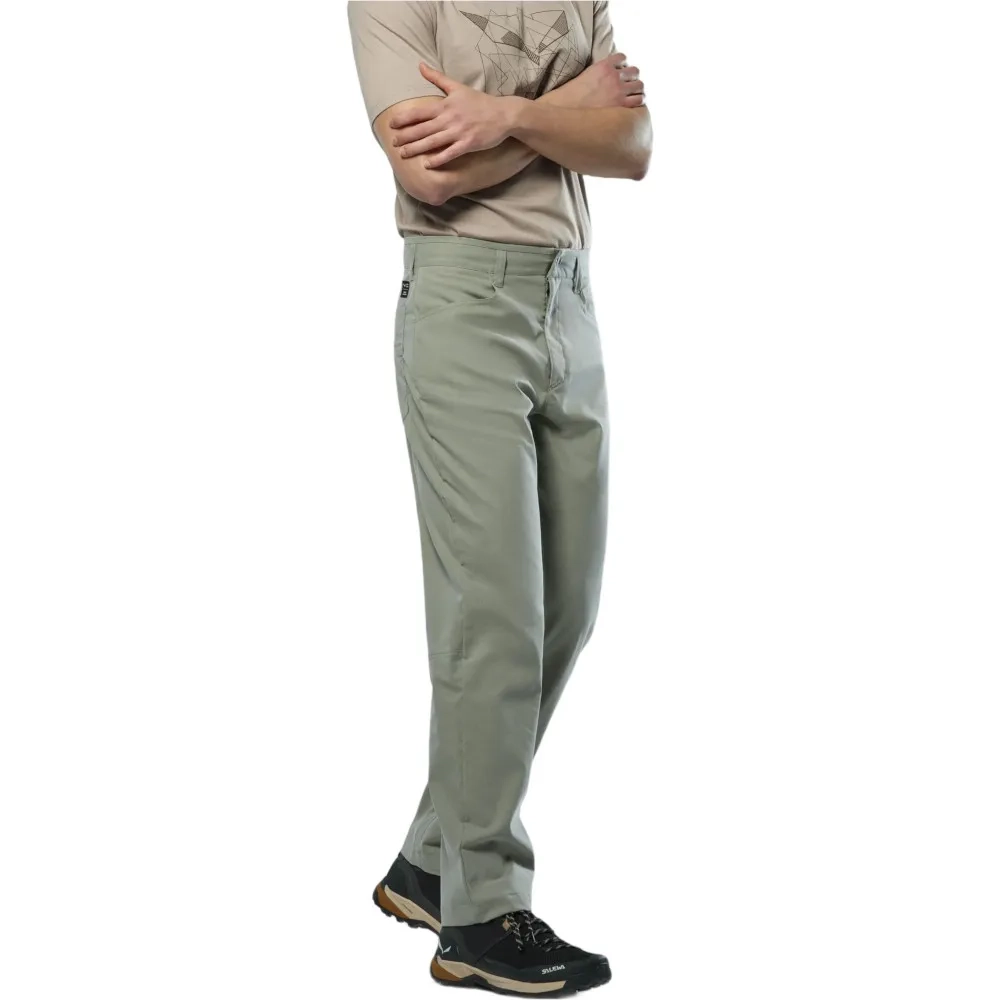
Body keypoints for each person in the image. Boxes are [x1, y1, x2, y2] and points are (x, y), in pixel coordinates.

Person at [347, 2, 651, 993]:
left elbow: (632, 146)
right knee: (496, 620)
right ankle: (481, 913)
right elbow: (430, 174)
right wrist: (569, 111)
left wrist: (505, 115)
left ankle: (430, 859)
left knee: (565, 611)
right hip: (463, 304)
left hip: (571, 302)